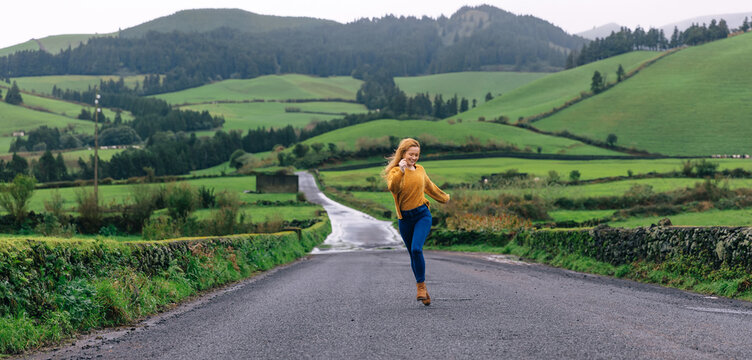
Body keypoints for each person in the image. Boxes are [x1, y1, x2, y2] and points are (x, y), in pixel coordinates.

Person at [382, 138, 450, 306]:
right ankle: (424, 291)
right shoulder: (394, 172)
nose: (414, 158)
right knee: (413, 254)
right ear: (403, 153)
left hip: (422, 215)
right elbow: (394, 188)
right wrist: (402, 171)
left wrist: (445, 198)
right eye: (411, 154)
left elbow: (430, 187)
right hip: (405, 219)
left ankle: (420, 287)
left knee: (416, 249)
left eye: (417, 155)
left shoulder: (420, 170)